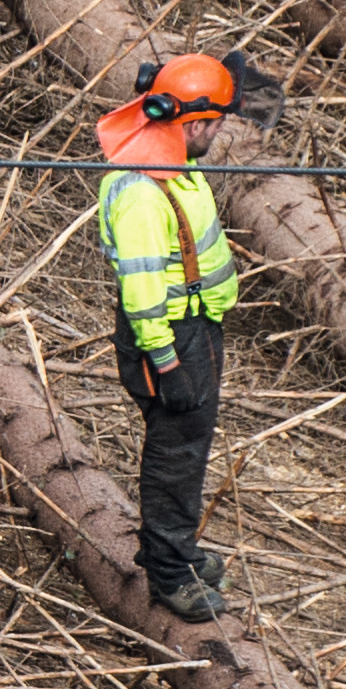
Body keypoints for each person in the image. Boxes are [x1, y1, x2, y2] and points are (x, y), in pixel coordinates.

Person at [93, 50, 259, 624]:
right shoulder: (144, 192)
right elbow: (142, 293)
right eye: (215, 123)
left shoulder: (172, 164)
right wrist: (167, 364)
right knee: (176, 455)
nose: (218, 133)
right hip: (169, 338)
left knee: (187, 446)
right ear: (193, 123)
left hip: (194, 329)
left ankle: (176, 548)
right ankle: (168, 573)